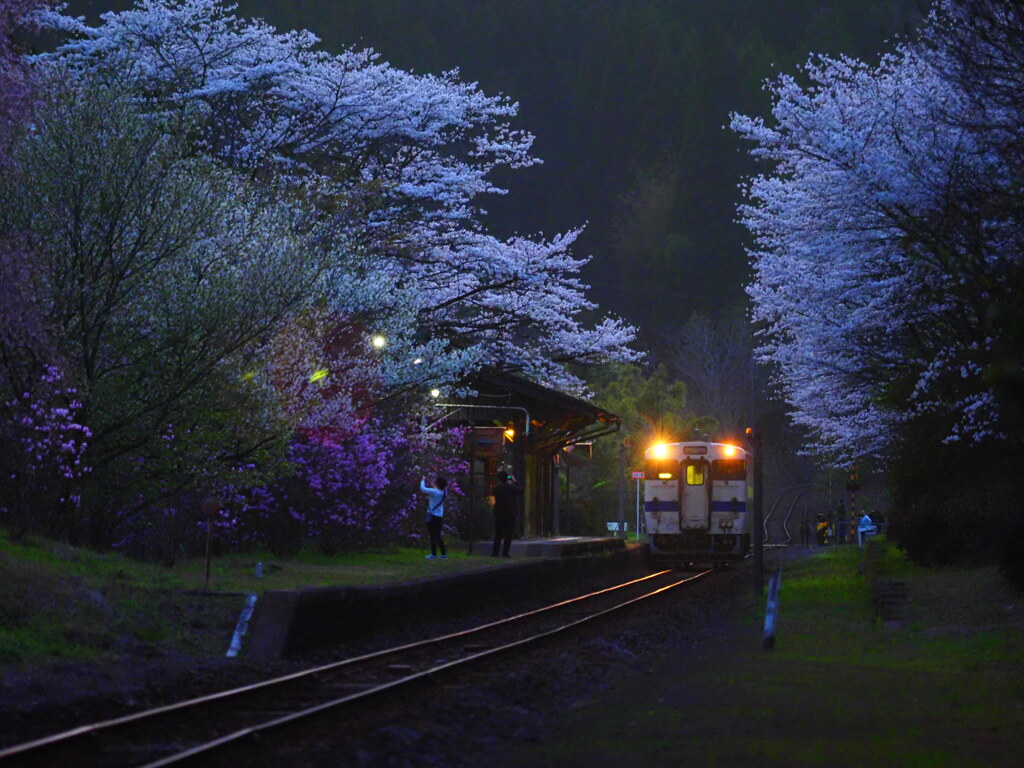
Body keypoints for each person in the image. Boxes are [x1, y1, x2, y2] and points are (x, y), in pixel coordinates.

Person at [492, 472, 522, 557]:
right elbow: (521, 490)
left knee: (498, 534)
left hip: (499, 513)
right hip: (510, 513)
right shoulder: (511, 487)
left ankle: (495, 552)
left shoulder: (497, 488)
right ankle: (505, 553)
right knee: (508, 534)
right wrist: (515, 481)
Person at [420, 475, 448, 560]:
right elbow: (436, 490)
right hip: (439, 516)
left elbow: (422, 488)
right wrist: (433, 485)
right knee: (437, 535)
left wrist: (422, 480)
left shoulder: (434, 492)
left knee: (433, 535)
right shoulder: (444, 492)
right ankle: (442, 554)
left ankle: (435, 554)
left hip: (432, 515)